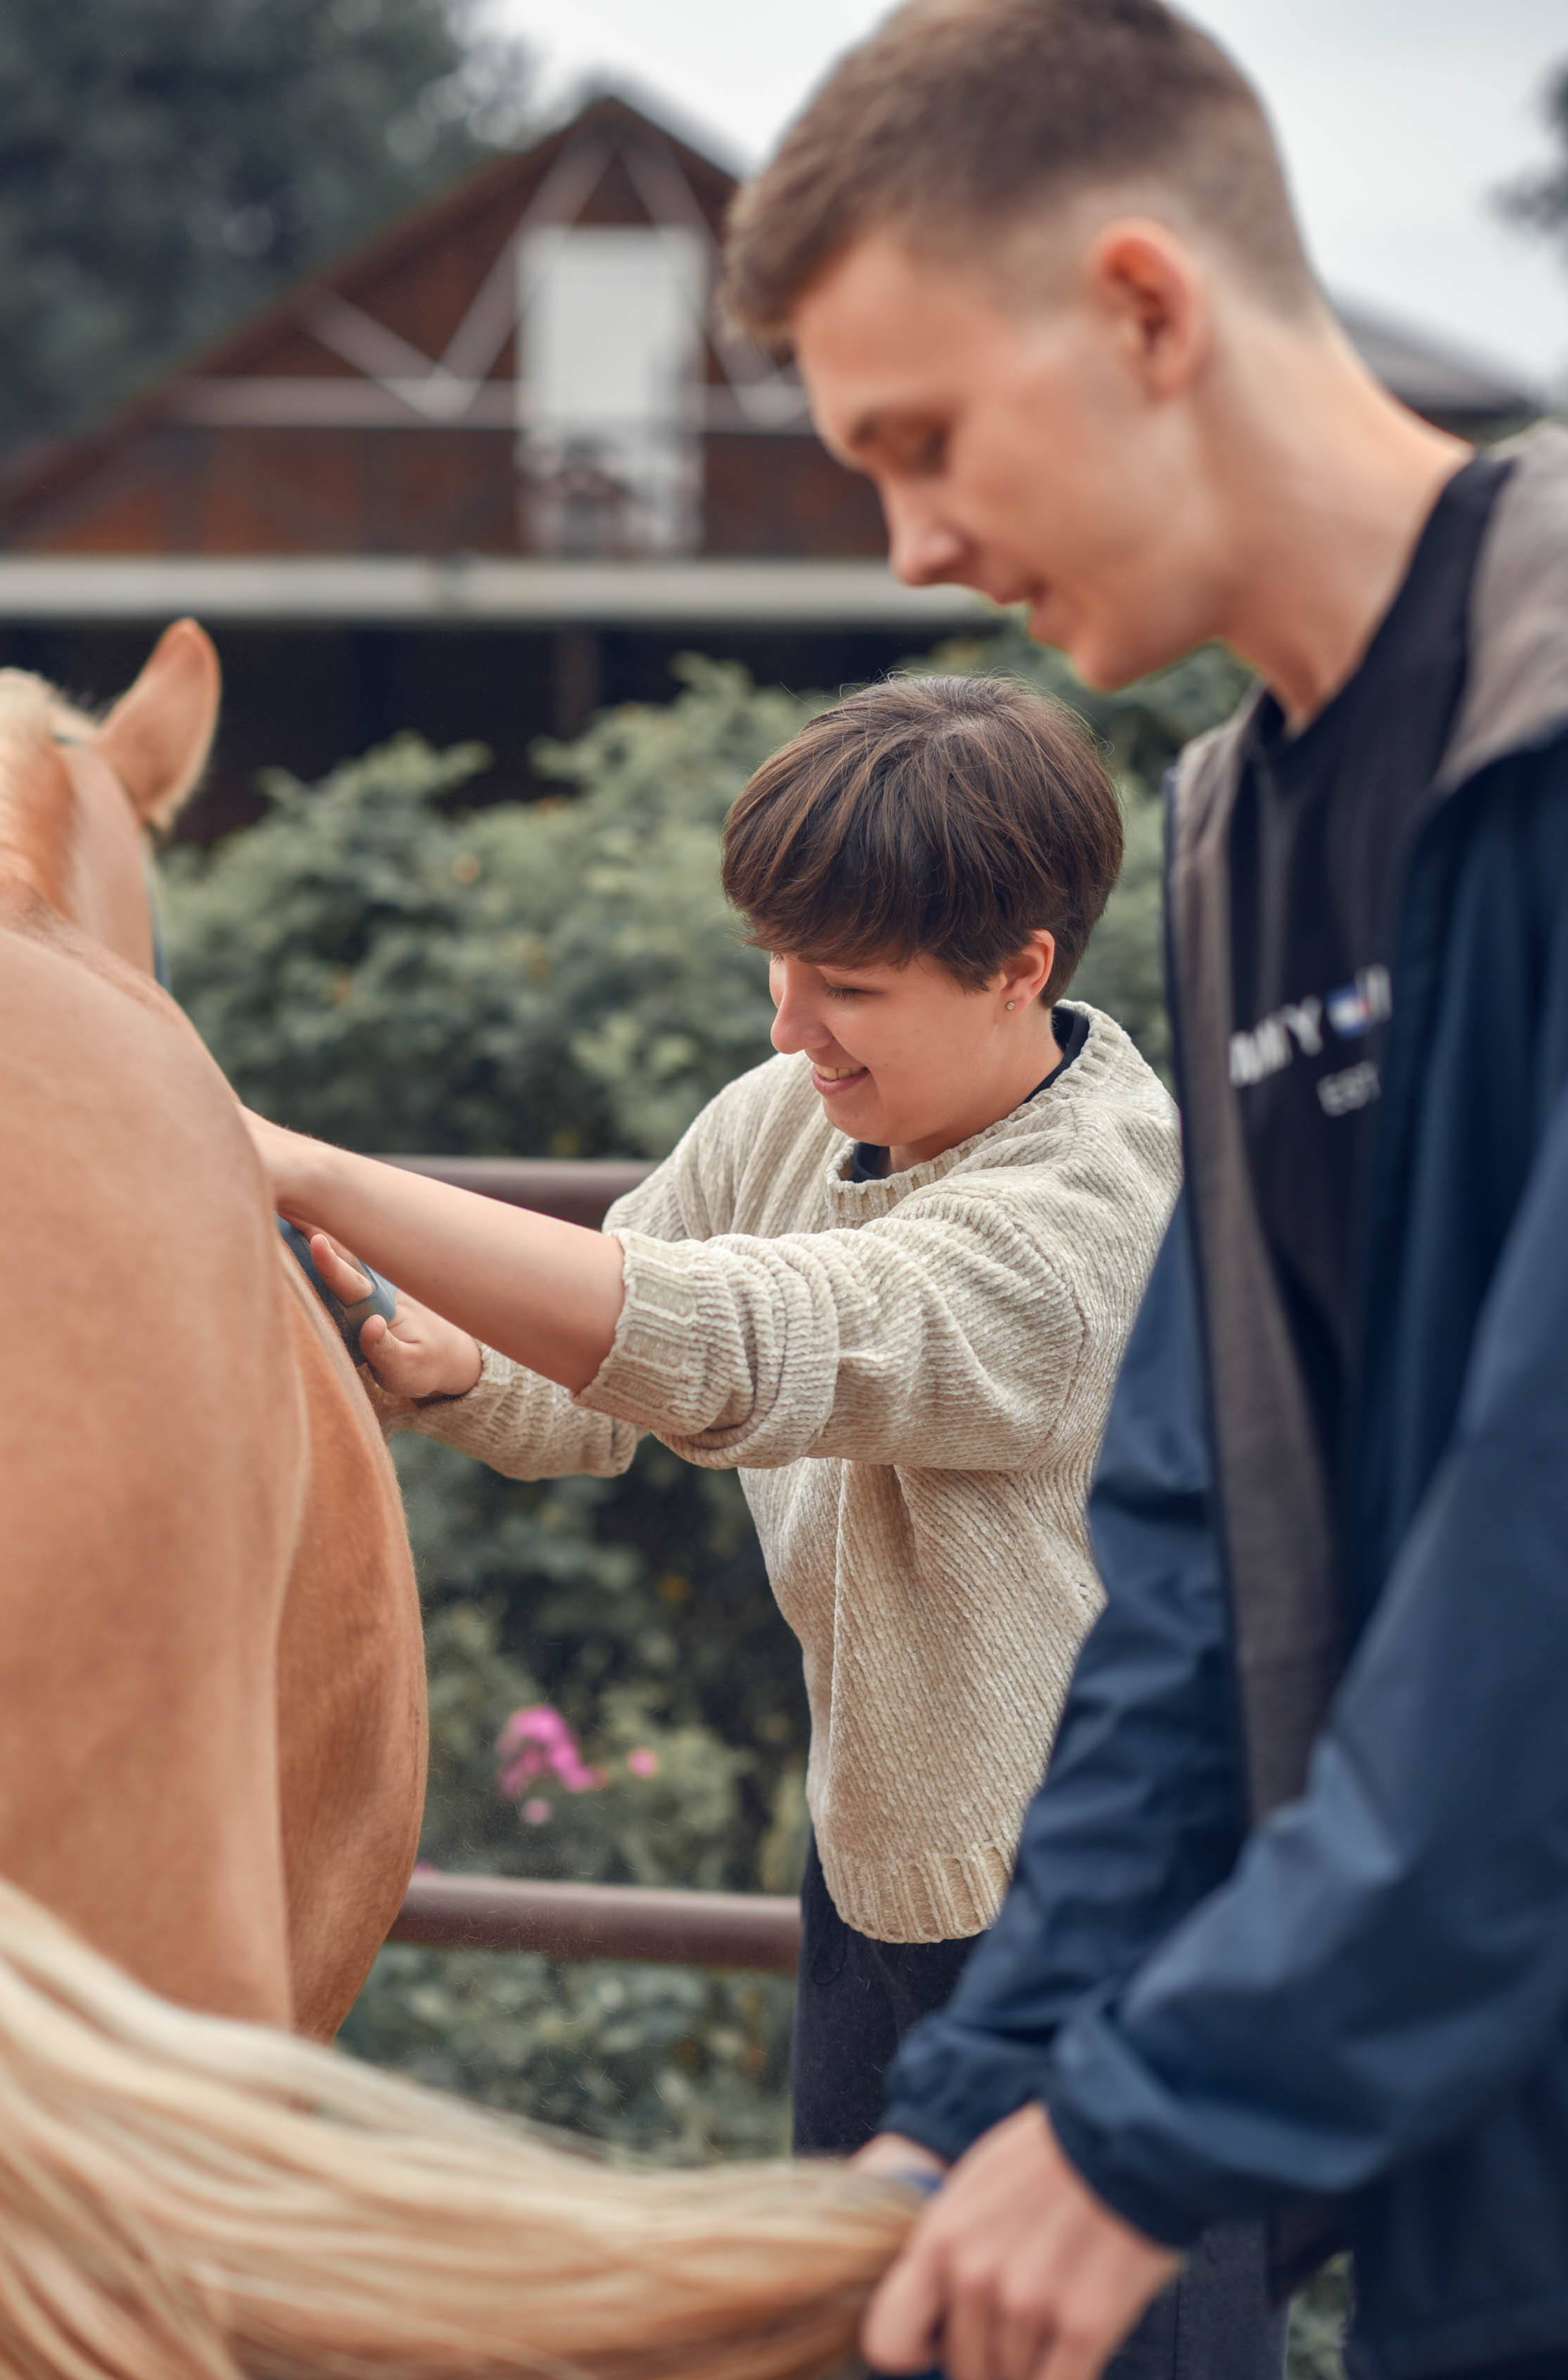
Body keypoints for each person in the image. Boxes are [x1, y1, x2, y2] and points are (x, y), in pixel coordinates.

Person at [719, 4, 1568, 2379]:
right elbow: (1193, 1573)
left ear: (1143, 308)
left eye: (923, 442)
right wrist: (980, 2100)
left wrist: (1147, 2120)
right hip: (1473, 2181)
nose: (912, 547)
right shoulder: (1235, 843)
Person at [244, 676, 1185, 2163]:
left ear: (1021, 965)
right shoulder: (792, 1113)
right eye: (778, 964)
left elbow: (740, 1342)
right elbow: (607, 1368)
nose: (793, 1023)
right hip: (883, 1861)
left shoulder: (1081, 1227)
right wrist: (461, 1367)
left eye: (851, 986)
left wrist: (311, 1170)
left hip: (1103, 1917)